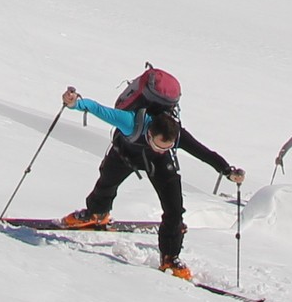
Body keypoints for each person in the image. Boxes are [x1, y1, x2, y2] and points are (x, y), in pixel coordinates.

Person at [60, 88, 245, 279]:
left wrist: (227, 171)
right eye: (158, 145)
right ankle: (97, 213)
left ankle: (170, 257)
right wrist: (75, 103)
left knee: (174, 209)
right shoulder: (129, 122)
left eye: (168, 147)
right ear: (149, 134)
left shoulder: (175, 134)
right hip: (125, 154)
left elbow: (204, 153)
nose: (161, 149)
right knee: (107, 182)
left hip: (158, 164)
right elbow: (98, 109)